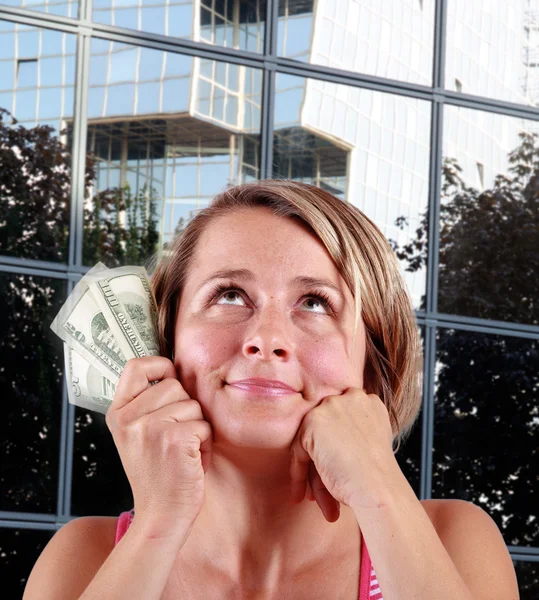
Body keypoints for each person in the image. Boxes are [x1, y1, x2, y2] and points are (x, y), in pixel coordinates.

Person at [24, 180, 519, 600]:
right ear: (165, 338)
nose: (267, 339)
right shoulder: (85, 558)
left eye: (315, 303)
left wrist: (380, 491)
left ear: (373, 360)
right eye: (230, 295)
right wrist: (158, 523)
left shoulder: (455, 542)